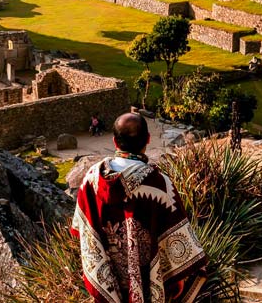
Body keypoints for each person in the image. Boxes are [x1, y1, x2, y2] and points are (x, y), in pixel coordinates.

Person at [71, 113, 207, 302]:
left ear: (114, 141)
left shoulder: (91, 181)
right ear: (148, 139)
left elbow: (81, 231)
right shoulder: (160, 186)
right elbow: (180, 250)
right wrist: (176, 279)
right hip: (148, 284)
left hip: (106, 283)